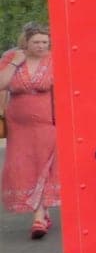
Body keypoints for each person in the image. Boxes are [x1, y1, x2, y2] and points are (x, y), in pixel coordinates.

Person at [2, 23, 59, 239]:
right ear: (26, 42)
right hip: (19, 125)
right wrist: (16, 62)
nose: (41, 46)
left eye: (45, 42)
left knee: (45, 165)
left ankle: (39, 216)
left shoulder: (54, 58)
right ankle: (41, 213)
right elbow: (2, 84)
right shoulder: (12, 58)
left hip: (47, 122)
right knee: (26, 167)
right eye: (36, 42)